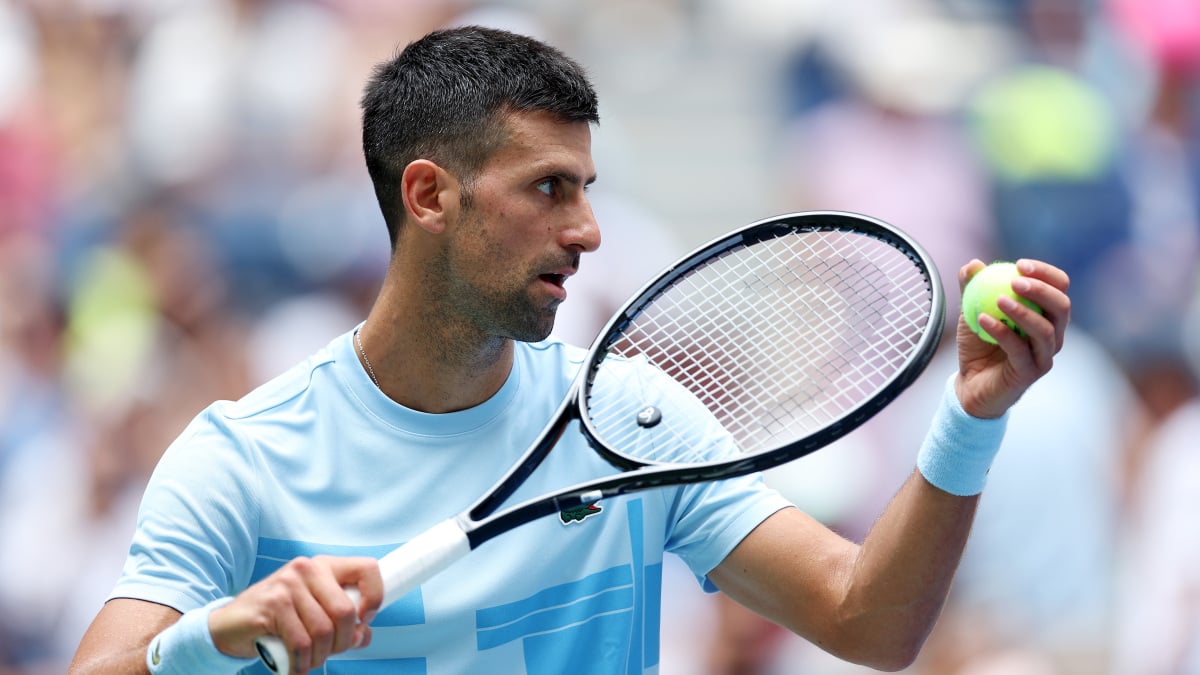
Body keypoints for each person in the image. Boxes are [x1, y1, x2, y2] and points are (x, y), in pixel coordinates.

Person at [67, 26, 1071, 675]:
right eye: (551, 188)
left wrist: (970, 418)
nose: (590, 230)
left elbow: (870, 622)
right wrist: (219, 635)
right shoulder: (242, 457)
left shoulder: (631, 419)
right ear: (428, 197)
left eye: (588, 187)